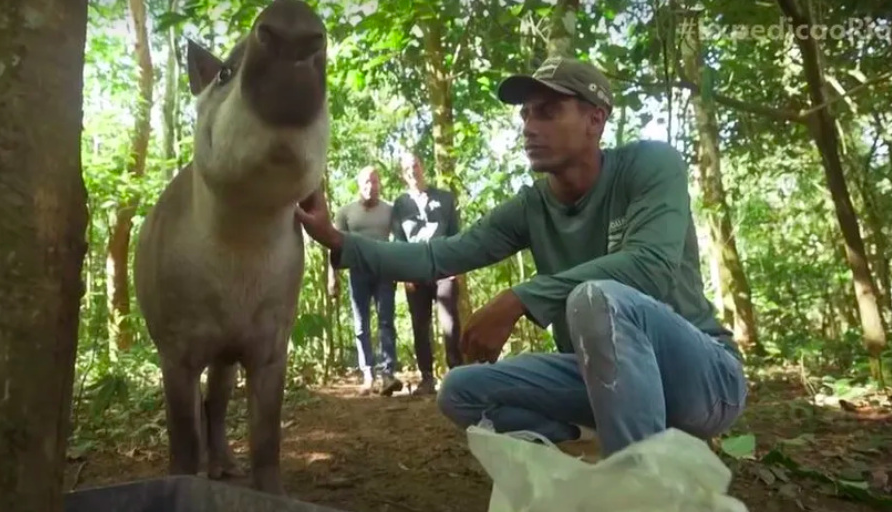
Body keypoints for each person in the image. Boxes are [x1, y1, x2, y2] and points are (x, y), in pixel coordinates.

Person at [295, 56, 748, 457]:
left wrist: (520, 299)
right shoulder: (532, 206)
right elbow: (440, 256)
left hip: (703, 380)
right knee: (460, 392)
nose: (530, 126)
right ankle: (590, 439)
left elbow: (649, 264)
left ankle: (639, 484)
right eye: (526, 114)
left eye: (548, 113)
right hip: (601, 381)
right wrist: (338, 241)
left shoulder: (650, 165)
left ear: (596, 120)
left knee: (598, 298)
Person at [390, 153, 463, 396]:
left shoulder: (444, 197)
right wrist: (404, 274)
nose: (412, 171)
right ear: (403, 175)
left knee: (450, 322)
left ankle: (457, 376)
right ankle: (427, 379)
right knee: (420, 326)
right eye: (407, 168)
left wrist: (457, 268)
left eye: (415, 166)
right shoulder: (400, 204)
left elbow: (455, 234)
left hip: (444, 267)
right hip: (415, 270)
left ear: (423, 167)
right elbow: (399, 240)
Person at [330, 166, 403, 396]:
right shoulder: (346, 212)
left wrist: (405, 270)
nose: (371, 186)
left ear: (379, 184)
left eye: (374, 181)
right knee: (361, 325)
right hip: (358, 272)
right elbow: (334, 246)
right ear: (359, 184)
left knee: (386, 322)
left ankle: (388, 373)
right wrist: (333, 278)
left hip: (384, 271)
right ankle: (368, 374)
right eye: (366, 182)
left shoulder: (390, 210)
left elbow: (401, 240)